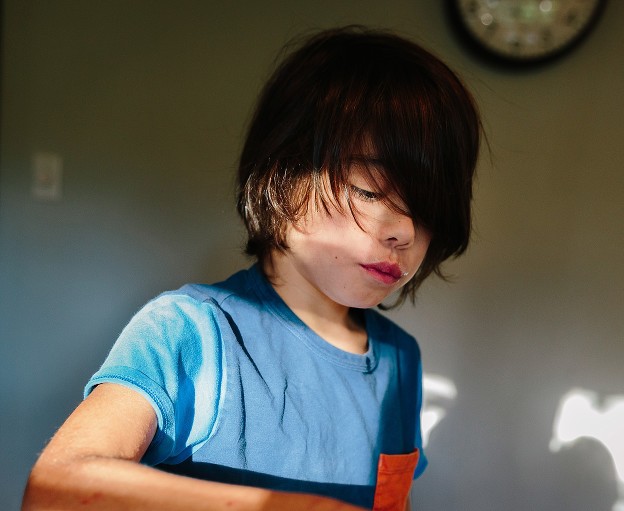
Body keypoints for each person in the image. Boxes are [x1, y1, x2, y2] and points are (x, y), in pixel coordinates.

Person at [22, 25, 481, 511]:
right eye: (370, 192)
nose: (406, 233)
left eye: (429, 211)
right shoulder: (190, 329)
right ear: (282, 176)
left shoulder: (400, 359)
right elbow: (55, 490)